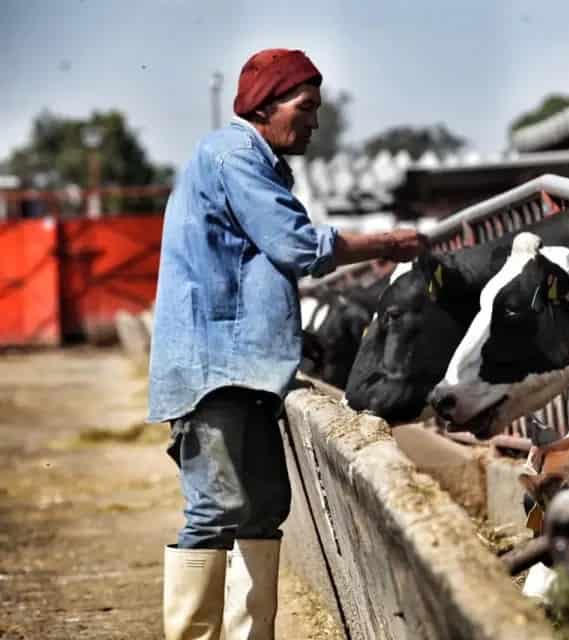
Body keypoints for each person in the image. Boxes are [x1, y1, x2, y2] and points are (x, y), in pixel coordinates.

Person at [147, 48, 428, 640]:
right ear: (264, 106)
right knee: (216, 508)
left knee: (266, 507)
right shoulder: (232, 156)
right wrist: (384, 243)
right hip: (213, 366)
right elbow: (295, 244)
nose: (315, 122)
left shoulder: (256, 160)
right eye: (306, 107)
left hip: (249, 367)